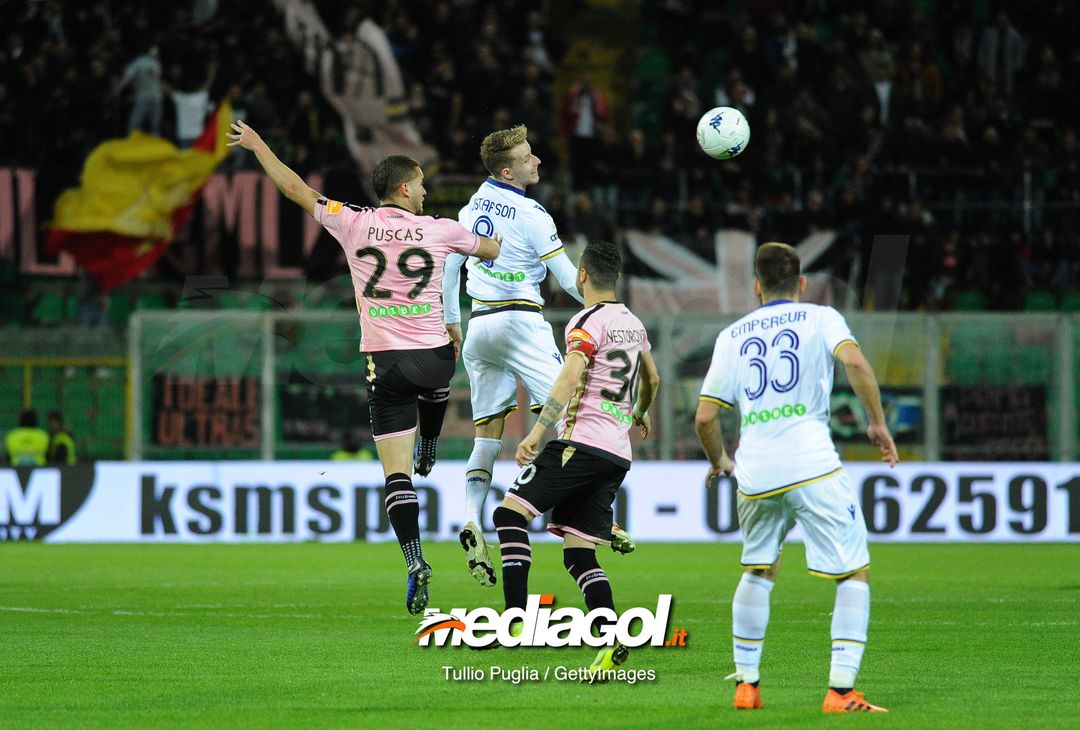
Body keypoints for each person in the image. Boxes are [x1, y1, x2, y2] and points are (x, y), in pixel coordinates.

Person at [227, 120, 501, 616]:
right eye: (420, 184)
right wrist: (491, 228)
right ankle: (431, 442)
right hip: (434, 359)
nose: (425, 192)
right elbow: (491, 250)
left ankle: (415, 560)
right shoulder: (440, 228)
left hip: (385, 363)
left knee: (397, 477)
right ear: (404, 188)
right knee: (440, 370)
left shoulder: (352, 221)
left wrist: (258, 144)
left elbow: (295, 189)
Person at [694, 242, 899, 713]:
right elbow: (855, 363)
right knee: (854, 572)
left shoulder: (731, 336)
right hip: (812, 464)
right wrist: (876, 422)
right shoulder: (822, 318)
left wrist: (719, 460)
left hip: (756, 471)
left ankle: (747, 687)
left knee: (758, 570)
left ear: (756, 287)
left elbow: (705, 417)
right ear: (802, 283)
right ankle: (841, 693)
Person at [442, 124, 632, 589]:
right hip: (521, 321)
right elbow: (568, 277)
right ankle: (587, 511)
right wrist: (608, 310)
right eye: (528, 158)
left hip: (479, 325)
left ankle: (471, 518)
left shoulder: (470, 207)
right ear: (508, 171)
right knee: (572, 410)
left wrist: (452, 321)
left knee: (487, 433)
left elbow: (449, 266)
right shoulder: (532, 214)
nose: (538, 161)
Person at [496, 241, 660, 678]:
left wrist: (536, 433)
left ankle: (515, 621)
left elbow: (571, 376)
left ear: (581, 275)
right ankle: (610, 639)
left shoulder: (585, 321)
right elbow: (653, 377)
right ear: (617, 277)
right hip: (616, 453)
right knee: (579, 555)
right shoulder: (633, 323)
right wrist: (639, 411)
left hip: (580, 444)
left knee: (509, 515)